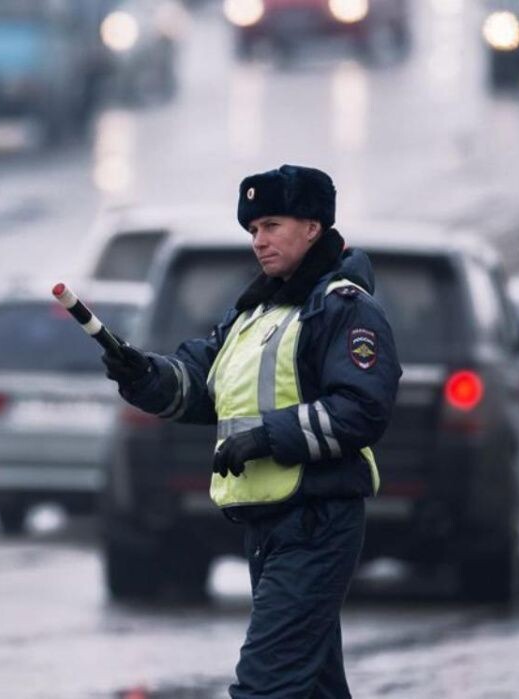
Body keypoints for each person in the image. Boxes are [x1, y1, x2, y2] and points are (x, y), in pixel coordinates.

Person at [101, 164, 401, 698]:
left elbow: (361, 410)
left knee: (266, 686)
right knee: (311, 686)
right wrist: (142, 375)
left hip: (316, 520)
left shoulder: (343, 309)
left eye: (271, 225)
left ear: (312, 226)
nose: (259, 241)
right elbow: (200, 383)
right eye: (253, 230)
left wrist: (268, 437)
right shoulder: (254, 314)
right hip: (268, 523)